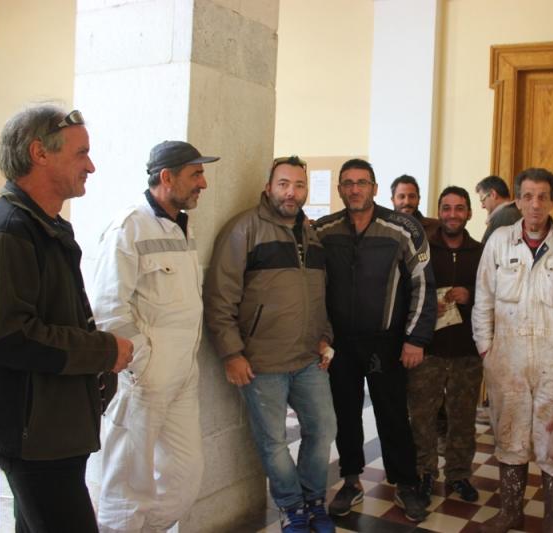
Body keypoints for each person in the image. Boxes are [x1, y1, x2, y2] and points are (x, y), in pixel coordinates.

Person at [0, 105, 132, 532]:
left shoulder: (43, 225)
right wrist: (103, 351)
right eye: (81, 153)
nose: (91, 166)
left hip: (55, 427)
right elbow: (9, 335)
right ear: (40, 153)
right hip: (36, 436)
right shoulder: (12, 229)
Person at [204, 156, 337, 533]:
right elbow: (220, 297)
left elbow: (319, 294)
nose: (291, 192)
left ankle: (314, 499)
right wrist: (232, 353)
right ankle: (292, 507)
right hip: (261, 363)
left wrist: (325, 335)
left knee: (323, 429)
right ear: (268, 187)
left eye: (299, 185)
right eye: (283, 184)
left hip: (309, 359)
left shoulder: (311, 235)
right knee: (274, 442)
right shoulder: (243, 229)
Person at [91, 140, 218, 532]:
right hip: (143, 382)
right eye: (196, 174)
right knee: (126, 490)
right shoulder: (129, 226)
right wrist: (143, 362)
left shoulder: (182, 226)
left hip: (182, 377)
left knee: (184, 480)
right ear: (167, 177)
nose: (203, 183)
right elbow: (107, 308)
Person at [472, 167, 553, 533]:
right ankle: (510, 513)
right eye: (527, 196)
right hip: (507, 363)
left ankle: (552, 521)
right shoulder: (499, 242)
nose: (535, 204)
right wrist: (486, 349)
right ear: (517, 200)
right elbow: (483, 299)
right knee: (509, 436)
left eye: (543, 197)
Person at [314, 158, 437, 523]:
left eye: (362, 182)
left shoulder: (402, 228)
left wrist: (415, 339)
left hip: (387, 342)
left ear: (375, 188)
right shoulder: (323, 230)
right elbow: (311, 285)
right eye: (348, 183)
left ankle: (406, 483)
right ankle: (351, 480)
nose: (355, 189)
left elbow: (423, 285)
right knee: (346, 414)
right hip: (340, 343)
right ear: (340, 189)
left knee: (393, 415)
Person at [407, 186, 484, 505]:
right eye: (447, 208)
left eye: (459, 208)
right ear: (439, 212)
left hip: (467, 351)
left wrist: (470, 295)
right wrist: (429, 306)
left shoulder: (481, 253)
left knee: (462, 417)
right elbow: (406, 291)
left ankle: (459, 474)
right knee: (422, 416)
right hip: (428, 350)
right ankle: (424, 473)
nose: (453, 214)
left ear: (469, 213)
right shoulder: (422, 251)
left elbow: (495, 296)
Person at [475, 175, 521, 243]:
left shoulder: (506, 215)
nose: (482, 206)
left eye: (483, 200)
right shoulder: (511, 212)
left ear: (493, 194)